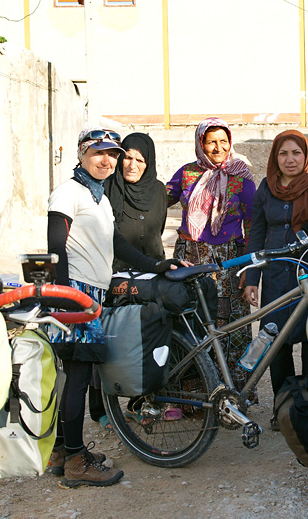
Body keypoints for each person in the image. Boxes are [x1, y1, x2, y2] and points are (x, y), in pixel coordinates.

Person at [47, 127, 181, 487]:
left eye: (113, 154)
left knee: (75, 376)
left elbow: (119, 244)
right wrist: (64, 297)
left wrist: (158, 266)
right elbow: (56, 248)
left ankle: (63, 450)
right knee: (76, 377)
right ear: (81, 155)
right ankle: (76, 462)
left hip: (93, 293)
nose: (107, 160)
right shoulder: (69, 193)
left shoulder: (99, 198)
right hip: (74, 293)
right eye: (98, 153)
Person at [243, 129, 308, 429]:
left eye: (296, 153)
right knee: (276, 344)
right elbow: (257, 235)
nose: (290, 160)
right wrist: (253, 277)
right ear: (275, 158)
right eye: (283, 153)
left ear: (306, 155)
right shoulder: (266, 188)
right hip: (276, 277)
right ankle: (285, 408)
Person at [166, 117, 257, 400]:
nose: (218, 148)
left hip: (229, 260)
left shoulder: (242, 176)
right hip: (191, 257)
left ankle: (236, 391)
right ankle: (192, 394)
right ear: (200, 143)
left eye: (223, 141)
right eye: (211, 141)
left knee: (232, 323)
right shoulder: (187, 174)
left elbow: (253, 224)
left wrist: (249, 266)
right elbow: (159, 200)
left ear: (230, 143)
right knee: (191, 321)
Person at [88, 132, 169, 430]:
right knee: (107, 341)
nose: (132, 165)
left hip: (148, 274)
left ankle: (139, 403)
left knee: (145, 339)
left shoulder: (158, 191)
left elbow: (157, 230)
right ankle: (100, 408)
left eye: (140, 160)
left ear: (149, 164)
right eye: (128, 158)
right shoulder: (106, 189)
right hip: (111, 276)